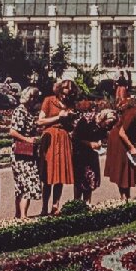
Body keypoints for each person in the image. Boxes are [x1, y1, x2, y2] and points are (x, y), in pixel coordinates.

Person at [38, 79, 78, 215]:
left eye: (70, 92)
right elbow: (40, 121)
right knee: (49, 175)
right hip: (51, 136)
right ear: (59, 90)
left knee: (60, 174)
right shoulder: (49, 100)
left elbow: (71, 125)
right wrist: (58, 117)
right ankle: (44, 207)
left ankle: (55, 205)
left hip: (63, 138)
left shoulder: (70, 104)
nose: (67, 95)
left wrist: (72, 120)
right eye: (65, 91)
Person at [8, 87, 43, 218]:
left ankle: (19, 215)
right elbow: (12, 131)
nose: (34, 100)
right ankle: (23, 216)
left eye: (36, 97)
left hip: (28, 152)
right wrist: (28, 139)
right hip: (22, 152)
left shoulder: (27, 111)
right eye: (32, 97)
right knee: (28, 182)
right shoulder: (20, 111)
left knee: (22, 184)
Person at [71, 108, 119, 204]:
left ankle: (87, 203)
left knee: (91, 178)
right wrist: (89, 143)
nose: (108, 126)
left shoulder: (105, 126)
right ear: (103, 118)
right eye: (107, 123)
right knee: (80, 179)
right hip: (80, 153)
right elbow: (75, 137)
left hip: (92, 153)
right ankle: (77, 203)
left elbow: (103, 135)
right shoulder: (87, 121)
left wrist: (100, 142)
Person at [104, 97, 136, 200]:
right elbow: (121, 133)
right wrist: (131, 147)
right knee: (122, 168)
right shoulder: (133, 113)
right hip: (118, 140)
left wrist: (134, 143)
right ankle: (124, 196)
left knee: (127, 168)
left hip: (125, 139)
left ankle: (126, 195)